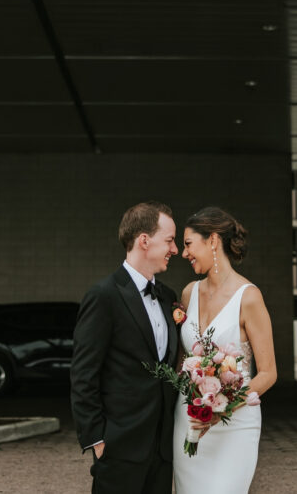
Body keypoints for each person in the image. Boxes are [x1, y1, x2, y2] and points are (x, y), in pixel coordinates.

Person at [71, 201, 181, 494]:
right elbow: (84, 374)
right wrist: (97, 440)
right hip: (119, 447)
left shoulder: (169, 296)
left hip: (161, 450)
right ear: (144, 240)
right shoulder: (104, 295)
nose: (175, 250)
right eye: (169, 240)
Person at [173, 206, 276, 493]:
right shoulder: (188, 293)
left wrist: (223, 407)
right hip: (189, 421)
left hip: (234, 425)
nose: (184, 253)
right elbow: (183, 364)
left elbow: (268, 374)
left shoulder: (249, 297)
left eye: (188, 244)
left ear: (213, 240)